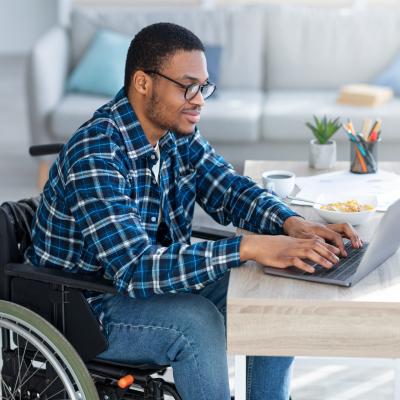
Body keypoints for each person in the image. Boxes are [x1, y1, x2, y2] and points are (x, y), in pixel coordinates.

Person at [26, 22, 361, 400]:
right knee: (197, 323)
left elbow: (229, 190)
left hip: (147, 283)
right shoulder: (97, 153)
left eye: (203, 87)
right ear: (142, 83)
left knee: (273, 295)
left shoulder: (173, 133)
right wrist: (246, 248)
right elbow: (135, 268)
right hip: (84, 306)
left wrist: (291, 223)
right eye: (188, 86)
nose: (199, 99)